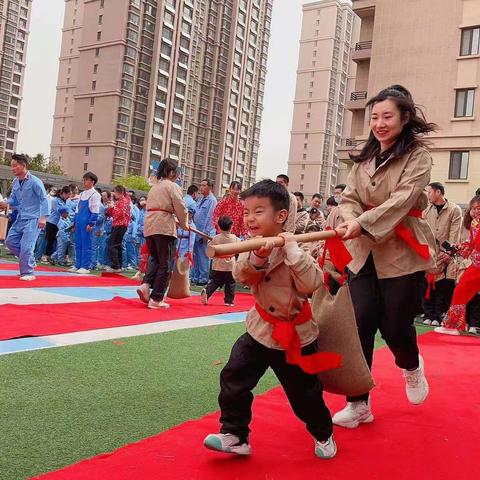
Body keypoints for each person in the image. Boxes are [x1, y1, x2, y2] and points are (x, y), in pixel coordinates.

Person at [203, 180, 338, 459]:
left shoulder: (298, 248)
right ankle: (235, 434)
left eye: (258, 211)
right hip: (260, 328)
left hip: (295, 335)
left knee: (305, 396)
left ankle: (323, 433)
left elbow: (311, 284)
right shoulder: (252, 245)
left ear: (280, 216)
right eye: (247, 212)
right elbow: (241, 276)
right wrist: (257, 257)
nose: (250, 218)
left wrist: (293, 254)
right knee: (234, 377)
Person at [333, 85, 437, 428]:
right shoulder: (362, 158)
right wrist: (350, 218)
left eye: (387, 116)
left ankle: (410, 365)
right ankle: (358, 402)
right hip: (363, 253)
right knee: (359, 323)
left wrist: (362, 222)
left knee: (395, 326)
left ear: (404, 118)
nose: (379, 123)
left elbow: (403, 200)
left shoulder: (417, 156)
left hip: (402, 252)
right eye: (374, 117)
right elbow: (348, 197)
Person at [137, 158, 188, 309]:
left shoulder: (155, 187)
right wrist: (184, 224)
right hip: (163, 226)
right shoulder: (172, 186)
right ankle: (156, 298)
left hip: (150, 225)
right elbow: (180, 207)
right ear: (172, 172)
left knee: (155, 259)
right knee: (165, 264)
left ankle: (146, 285)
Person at [435, 195, 480, 335]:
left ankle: (452, 325)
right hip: (477, 263)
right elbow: (471, 244)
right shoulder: (475, 223)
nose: (475, 211)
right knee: (461, 290)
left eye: (478, 208)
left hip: (477, 264)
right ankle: (452, 325)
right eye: (473, 208)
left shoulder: (476, 223)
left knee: (461, 291)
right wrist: (457, 247)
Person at [0, 154, 49, 280]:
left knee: (27, 246)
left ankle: (28, 272)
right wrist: (6, 203)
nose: (13, 168)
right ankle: (30, 260)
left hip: (34, 218)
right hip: (21, 217)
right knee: (10, 242)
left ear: (23, 165)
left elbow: (44, 199)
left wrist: (43, 217)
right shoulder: (16, 182)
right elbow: (15, 200)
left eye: (15, 166)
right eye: (12, 166)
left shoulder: (35, 181)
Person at [422, 182, 462, 326]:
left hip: (446, 254)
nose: (428, 196)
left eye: (430, 192)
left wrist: (449, 252)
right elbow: (422, 230)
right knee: (427, 283)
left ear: (438, 192)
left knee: (442, 285)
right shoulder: (426, 210)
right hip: (429, 253)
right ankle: (428, 313)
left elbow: (455, 231)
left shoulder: (454, 209)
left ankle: (439, 315)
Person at [201, 215, 238, 307]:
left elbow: (209, 249)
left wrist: (210, 242)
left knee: (215, 281)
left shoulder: (215, 238)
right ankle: (229, 301)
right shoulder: (235, 238)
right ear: (231, 226)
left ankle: (207, 291)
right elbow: (239, 248)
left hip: (218, 265)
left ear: (219, 227)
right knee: (231, 283)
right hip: (230, 266)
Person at [70, 172, 101, 274]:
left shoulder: (95, 194)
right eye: (83, 179)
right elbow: (77, 210)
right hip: (79, 220)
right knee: (78, 243)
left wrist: (91, 223)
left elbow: (95, 210)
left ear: (92, 181)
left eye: (86, 180)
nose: (84, 181)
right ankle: (78, 264)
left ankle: (85, 266)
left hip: (87, 221)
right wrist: (74, 222)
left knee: (86, 244)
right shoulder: (82, 194)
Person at [191, 178, 217, 286]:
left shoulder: (212, 200)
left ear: (210, 187)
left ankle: (203, 278)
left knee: (203, 256)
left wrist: (206, 233)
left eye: (204, 185)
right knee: (196, 255)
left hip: (204, 233)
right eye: (201, 185)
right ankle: (195, 277)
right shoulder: (201, 199)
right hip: (196, 231)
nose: (201, 187)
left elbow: (210, 217)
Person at [105, 185, 131, 273]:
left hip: (120, 225)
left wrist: (112, 207)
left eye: (115, 192)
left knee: (112, 245)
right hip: (119, 225)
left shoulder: (123, 201)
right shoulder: (121, 201)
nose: (114, 194)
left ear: (119, 192)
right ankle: (118, 265)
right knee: (117, 245)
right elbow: (112, 214)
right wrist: (110, 208)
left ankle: (115, 266)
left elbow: (120, 214)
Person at [45, 185, 71, 260]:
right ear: (63, 193)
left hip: (62, 223)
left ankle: (61, 256)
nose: (68, 196)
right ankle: (47, 256)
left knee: (63, 240)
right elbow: (59, 211)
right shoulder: (55, 200)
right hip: (53, 222)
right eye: (68, 194)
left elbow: (68, 210)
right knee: (51, 240)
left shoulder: (67, 201)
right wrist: (65, 212)